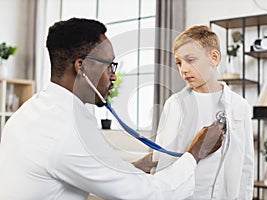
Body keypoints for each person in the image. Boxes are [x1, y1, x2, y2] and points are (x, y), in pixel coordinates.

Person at [0, 18, 225, 200]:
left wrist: (139, 166)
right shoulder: (66, 132)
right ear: (83, 67)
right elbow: (150, 195)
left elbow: (87, 169)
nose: (114, 75)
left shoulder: (34, 111)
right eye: (110, 65)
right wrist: (196, 152)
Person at [152, 25, 254, 200]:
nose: (183, 69)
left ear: (214, 58)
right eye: (179, 62)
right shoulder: (175, 104)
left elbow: (246, 163)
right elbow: (162, 160)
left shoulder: (239, 106)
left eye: (190, 60)